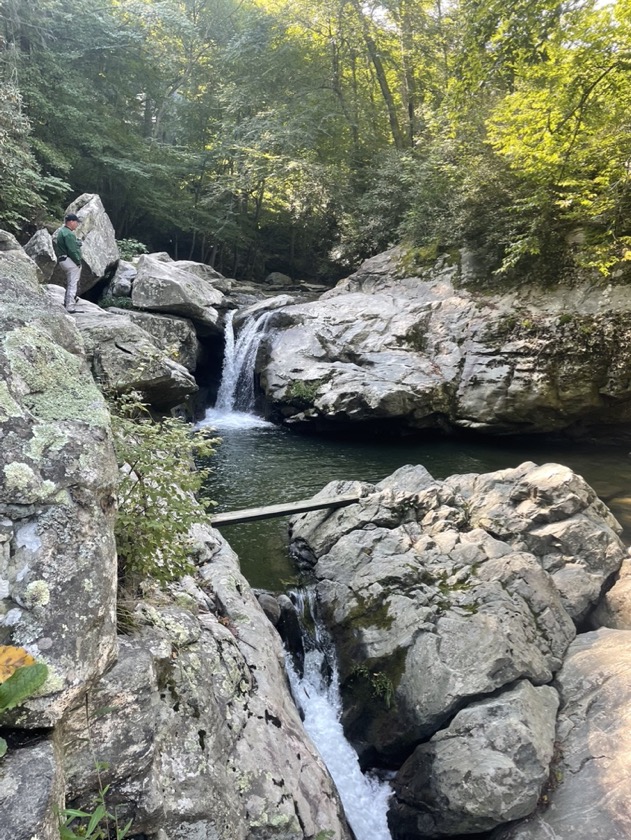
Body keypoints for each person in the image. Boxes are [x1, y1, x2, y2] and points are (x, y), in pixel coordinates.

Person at [54, 213, 83, 312]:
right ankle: (70, 306)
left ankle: (66, 302)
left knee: (70, 282)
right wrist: (78, 261)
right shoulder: (69, 233)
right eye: (76, 222)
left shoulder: (62, 231)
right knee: (72, 284)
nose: (77, 224)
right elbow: (72, 250)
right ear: (71, 222)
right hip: (69, 260)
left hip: (62, 260)